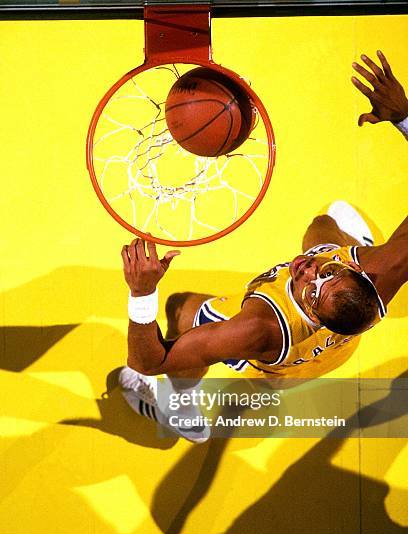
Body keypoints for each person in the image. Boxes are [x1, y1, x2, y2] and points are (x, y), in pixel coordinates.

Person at [118, 50, 408, 443]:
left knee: (179, 309)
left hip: (272, 358)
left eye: (309, 292)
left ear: (310, 311)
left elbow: (148, 361)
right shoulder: (383, 273)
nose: (305, 269)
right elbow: (319, 265)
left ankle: (180, 407)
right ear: (360, 275)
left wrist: (142, 292)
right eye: (328, 272)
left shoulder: (258, 326)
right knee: (323, 226)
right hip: (330, 354)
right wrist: (403, 118)